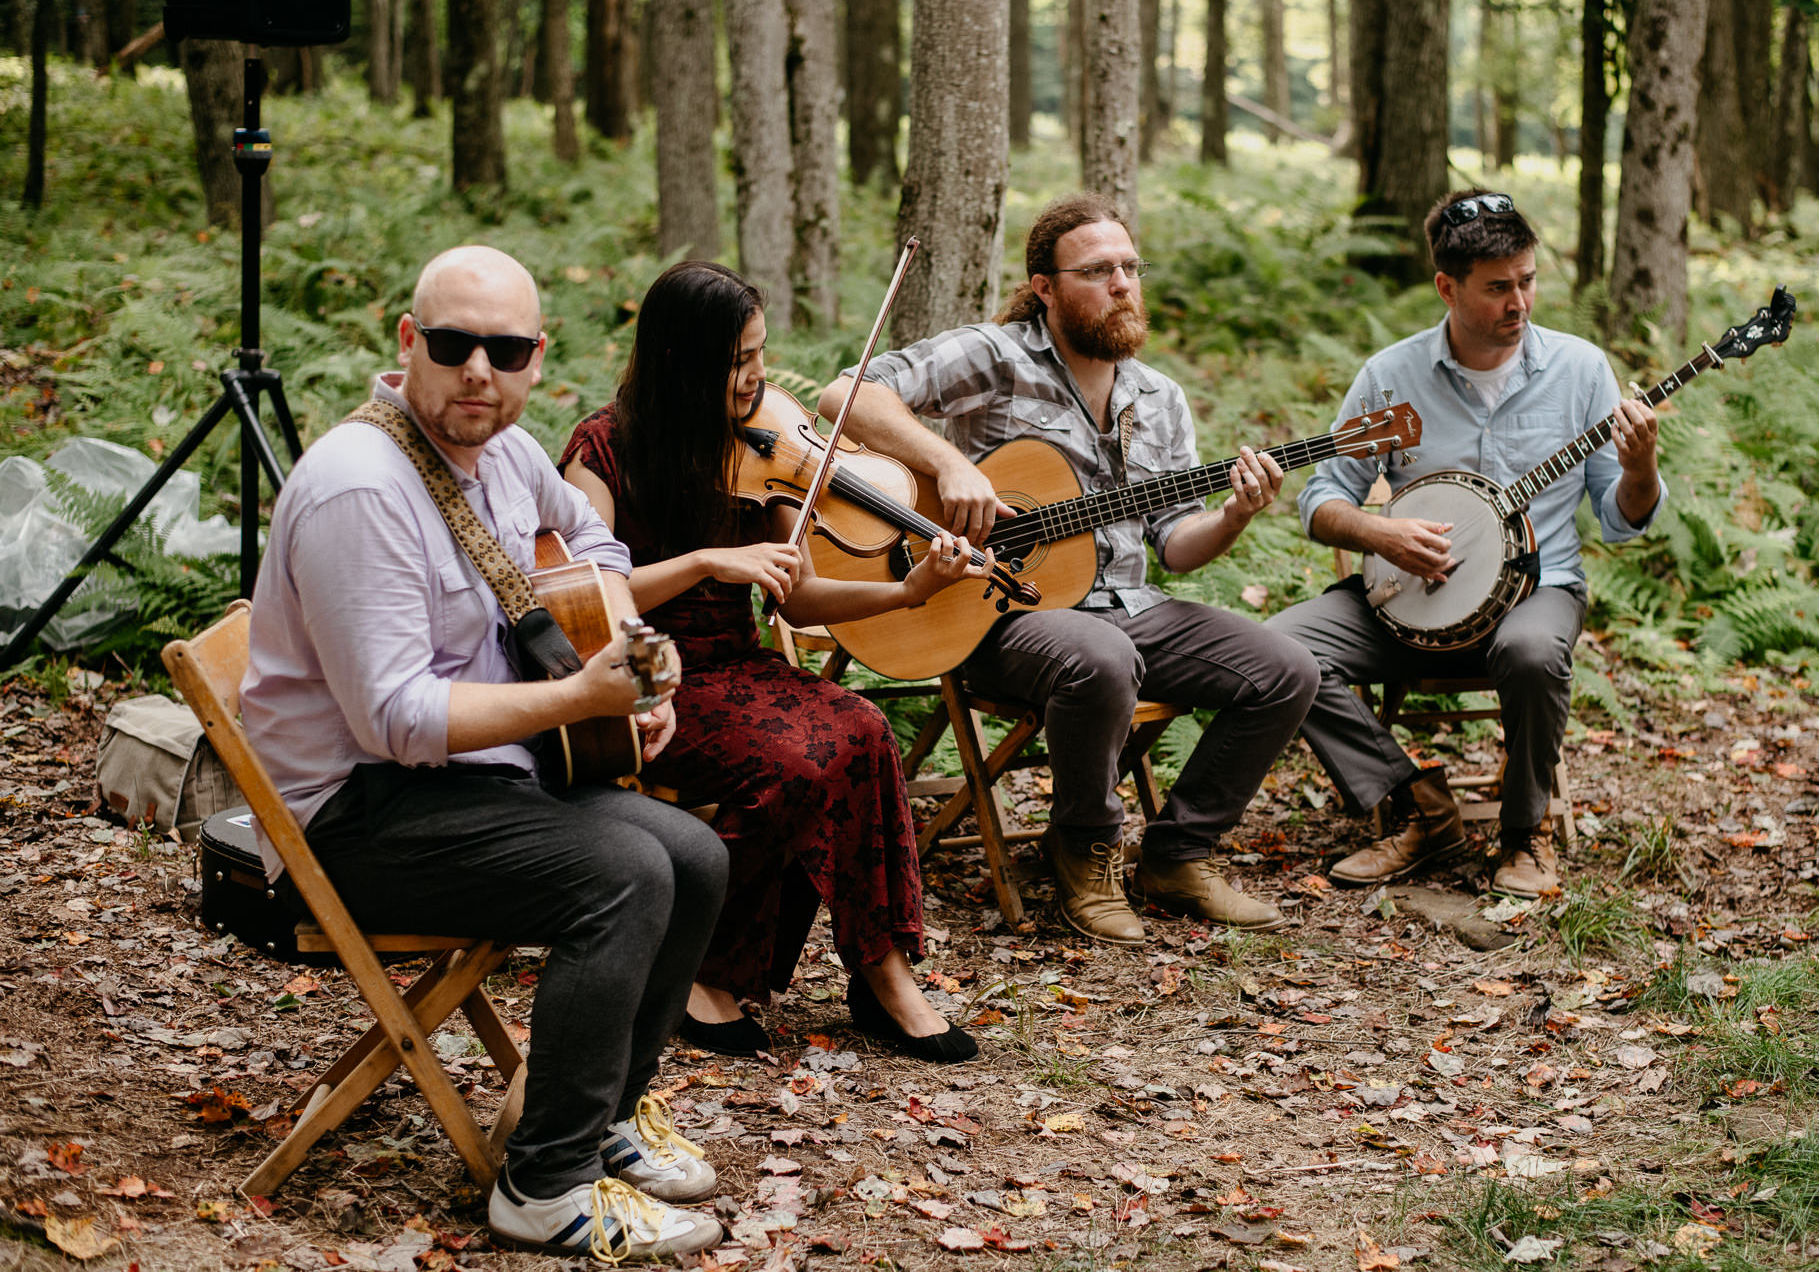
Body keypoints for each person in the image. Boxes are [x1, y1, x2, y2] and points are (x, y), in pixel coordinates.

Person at [240, 246, 727, 1262]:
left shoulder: (503, 451)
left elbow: (594, 543)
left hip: (462, 780)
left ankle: (603, 1121)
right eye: (454, 344)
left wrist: (632, 655)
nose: (478, 371)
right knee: (626, 874)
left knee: (694, 855)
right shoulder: (361, 490)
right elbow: (391, 720)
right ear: (408, 343)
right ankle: (544, 1188)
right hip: (352, 816)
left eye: (504, 350)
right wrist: (576, 695)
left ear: (537, 359)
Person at [814, 193, 1320, 947]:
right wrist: (949, 463)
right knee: (1102, 657)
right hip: (1001, 610)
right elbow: (843, 394)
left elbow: (1176, 545)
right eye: (1097, 271)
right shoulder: (998, 356)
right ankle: (1084, 847)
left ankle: (1177, 854)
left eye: (1129, 268)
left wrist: (1237, 513)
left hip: (1133, 604)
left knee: (1287, 669)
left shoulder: (1159, 396)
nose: (1122, 284)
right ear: (1046, 286)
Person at [560, 260, 985, 1064]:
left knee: (862, 727)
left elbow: (801, 598)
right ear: (681, 360)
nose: (757, 376)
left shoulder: (762, 444)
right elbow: (585, 595)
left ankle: (881, 968)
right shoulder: (604, 448)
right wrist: (704, 564)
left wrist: (912, 591)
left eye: (759, 352)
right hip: (647, 673)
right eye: (737, 361)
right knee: (798, 763)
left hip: (739, 664)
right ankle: (705, 967)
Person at [1267, 191, 1665, 897]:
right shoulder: (1392, 377)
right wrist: (1380, 531)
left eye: (1529, 280)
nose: (1520, 302)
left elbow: (1620, 518)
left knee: (1533, 651)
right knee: (1278, 651)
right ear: (1446, 287)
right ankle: (1419, 807)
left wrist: (1639, 469)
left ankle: (1524, 836)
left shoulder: (1579, 370)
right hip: (1409, 598)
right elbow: (1319, 498)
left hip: (1534, 595)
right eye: (1498, 287)